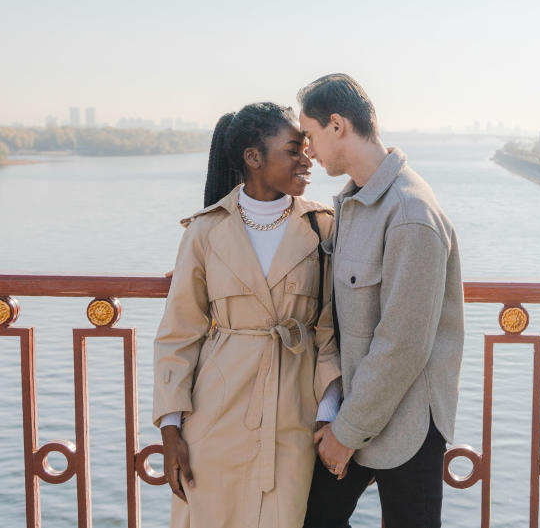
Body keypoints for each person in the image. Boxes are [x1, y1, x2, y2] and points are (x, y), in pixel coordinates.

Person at [153, 102, 342, 528]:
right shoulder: (205, 231)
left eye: (307, 148)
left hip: (297, 416)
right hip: (215, 416)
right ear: (254, 159)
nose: (307, 159)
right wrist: (170, 431)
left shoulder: (322, 227)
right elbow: (178, 334)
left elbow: (331, 329)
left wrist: (328, 416)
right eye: (293, 149)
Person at [298, 73, 464, 528]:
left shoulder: (410, 214)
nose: (307, 149)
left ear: (337, 125)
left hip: (407, 425)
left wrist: (345, 432)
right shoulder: (355, 203)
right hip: (358, 412)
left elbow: (403, 344)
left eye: (309, 135)